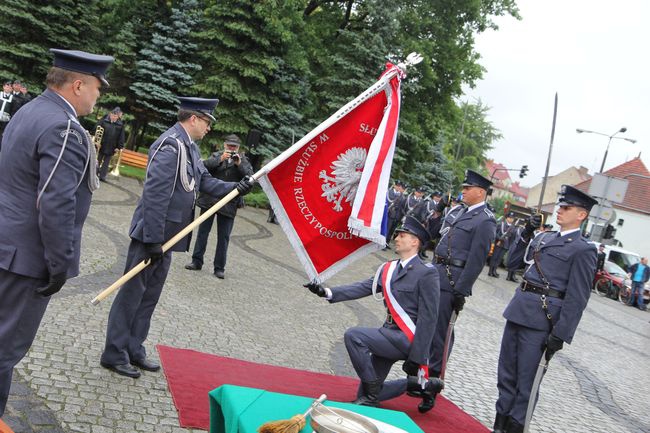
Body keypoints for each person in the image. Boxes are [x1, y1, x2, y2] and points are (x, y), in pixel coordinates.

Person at [100, 97, 255, 378]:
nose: (209, 128)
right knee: (132, 295)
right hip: (154, 236)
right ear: (193, 118)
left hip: (169, 237)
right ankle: (114, 353)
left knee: (149, 297)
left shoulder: (190, 147)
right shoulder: (171, 145)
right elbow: (155, 195)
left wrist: (236, 188)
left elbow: (203, 181)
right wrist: (152, 239)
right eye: (207, 122)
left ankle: (134, 348)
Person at [0, 48, 114, 418]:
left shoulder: (31, 109)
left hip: (7, 245)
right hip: (27, 258)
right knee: (4, 351)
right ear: (78, 84)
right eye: (97, 87)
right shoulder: (63, 127)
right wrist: (59, 262)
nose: (99, 96)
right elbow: (54, 202)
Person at [379, 170, 496, 411]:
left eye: (467, 188)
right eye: (462, 187)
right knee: (422, 326)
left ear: (481, 192)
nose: (462, 191)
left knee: (440, 335)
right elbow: (432, 234)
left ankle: (431, 385)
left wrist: (461, 291)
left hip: (451, 281)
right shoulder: (459, 212)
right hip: (435, 273)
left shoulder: (485, 220)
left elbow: (477, 259)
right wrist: (439, 210)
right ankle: (417, 377)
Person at [492, 185, 598, 433]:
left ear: (581, 215)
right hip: (519, 311)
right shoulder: (543, 238)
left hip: (542, 321)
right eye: (560, 206)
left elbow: (578, 296)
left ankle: (516, 426)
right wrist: (527, 232)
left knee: (526, 382)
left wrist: (560, 334)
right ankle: (499, 424)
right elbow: (514, 263)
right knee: (506, 375)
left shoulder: (583, 249)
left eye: (566, 208)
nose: (559, 211)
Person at [305, 216, 439, 407]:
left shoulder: (426, 272)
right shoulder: (389, 268)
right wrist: (327, 292)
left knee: (354, 335)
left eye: (402, 235)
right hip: (387, 334)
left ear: (415, 242)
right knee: (368, 393)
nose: (397, 239)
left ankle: (375, 389)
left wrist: (418, 357)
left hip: (406, 338)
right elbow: (363, 287)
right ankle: (414, 385)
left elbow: (429, 318)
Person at [185, 134, 253, 278]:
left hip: (229, 204)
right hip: (209, 200)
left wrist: (239, 164)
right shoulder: (216, 155)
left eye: (234, 146)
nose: (231, 148)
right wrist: (220, 159)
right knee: (202, 232)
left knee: (224, 237)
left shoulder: (243, 161)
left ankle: (219, 268)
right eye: (229, 146)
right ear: (224, 145)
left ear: (239, 148)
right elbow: (202, 168)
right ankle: (196, 261)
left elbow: (250, 178)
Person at [96, 107, 126, 181]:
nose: (113, 117)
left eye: (115, 116)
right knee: (98, 160)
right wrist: (97, 142)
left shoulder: (120, 125)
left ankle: (102, 176)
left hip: (112, 146)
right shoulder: (104, 121)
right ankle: (94, 174)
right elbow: (97, 130)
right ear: (110, 114)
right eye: (112, 115)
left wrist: (119, 147)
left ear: (117, 117)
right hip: (101, 144)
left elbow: (121, 137)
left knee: (106, 163)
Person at [489, 212, 516, 278]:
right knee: (494, 257)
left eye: (512, 218)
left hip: (505, 245)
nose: (511, 219)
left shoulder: (513, 227)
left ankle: (494, 270)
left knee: (499, 259)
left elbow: (512, 238)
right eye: (510, 218)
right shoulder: (501, 224)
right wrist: (499, 238)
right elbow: (494, 233)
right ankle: (490, 271)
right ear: (507, 218)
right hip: (499, 243)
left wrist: (509, 245)